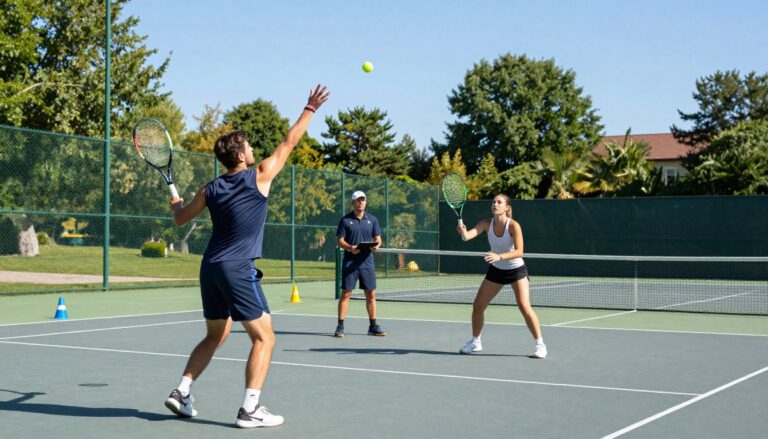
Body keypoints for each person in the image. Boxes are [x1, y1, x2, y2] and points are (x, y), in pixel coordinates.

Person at [163, 85, 330, 428]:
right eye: (249, 146)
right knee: (265, 337)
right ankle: (250, 409)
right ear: (239, 155)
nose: (253, 149)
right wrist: (310, 109)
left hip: (209, 268)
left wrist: (177, 203)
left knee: (216, 335)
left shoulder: (209, 189)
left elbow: (181, 218)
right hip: (238, 268)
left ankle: (182, 391)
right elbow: (290, 143)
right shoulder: (260, 175)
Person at [456, 194, 547, 359]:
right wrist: (463, 231)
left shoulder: (513, 226)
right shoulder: (486, 223)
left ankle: (540, 345)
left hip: (516, 269)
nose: (495, 204)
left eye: (499, 202)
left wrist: (500, 256)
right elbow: (467, 237)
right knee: (478, 306)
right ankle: (476, 342)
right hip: (496, 270)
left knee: (524, 306)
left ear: (507, 207)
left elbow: (519, 251)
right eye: (493, 202)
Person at [334, 190, 386, 338]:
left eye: (363, 200)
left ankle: (373, 326)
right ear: (353, 203)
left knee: (370, 294)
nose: (361, 202)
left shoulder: (372, 219)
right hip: (350, 263)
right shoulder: (345, 220)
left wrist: (377, 245)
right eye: (358, 200)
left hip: (367, 263)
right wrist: (351, 248)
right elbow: (340, 240)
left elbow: (378, 238)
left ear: (365, 202)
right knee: (346, 293)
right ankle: (340, 326)